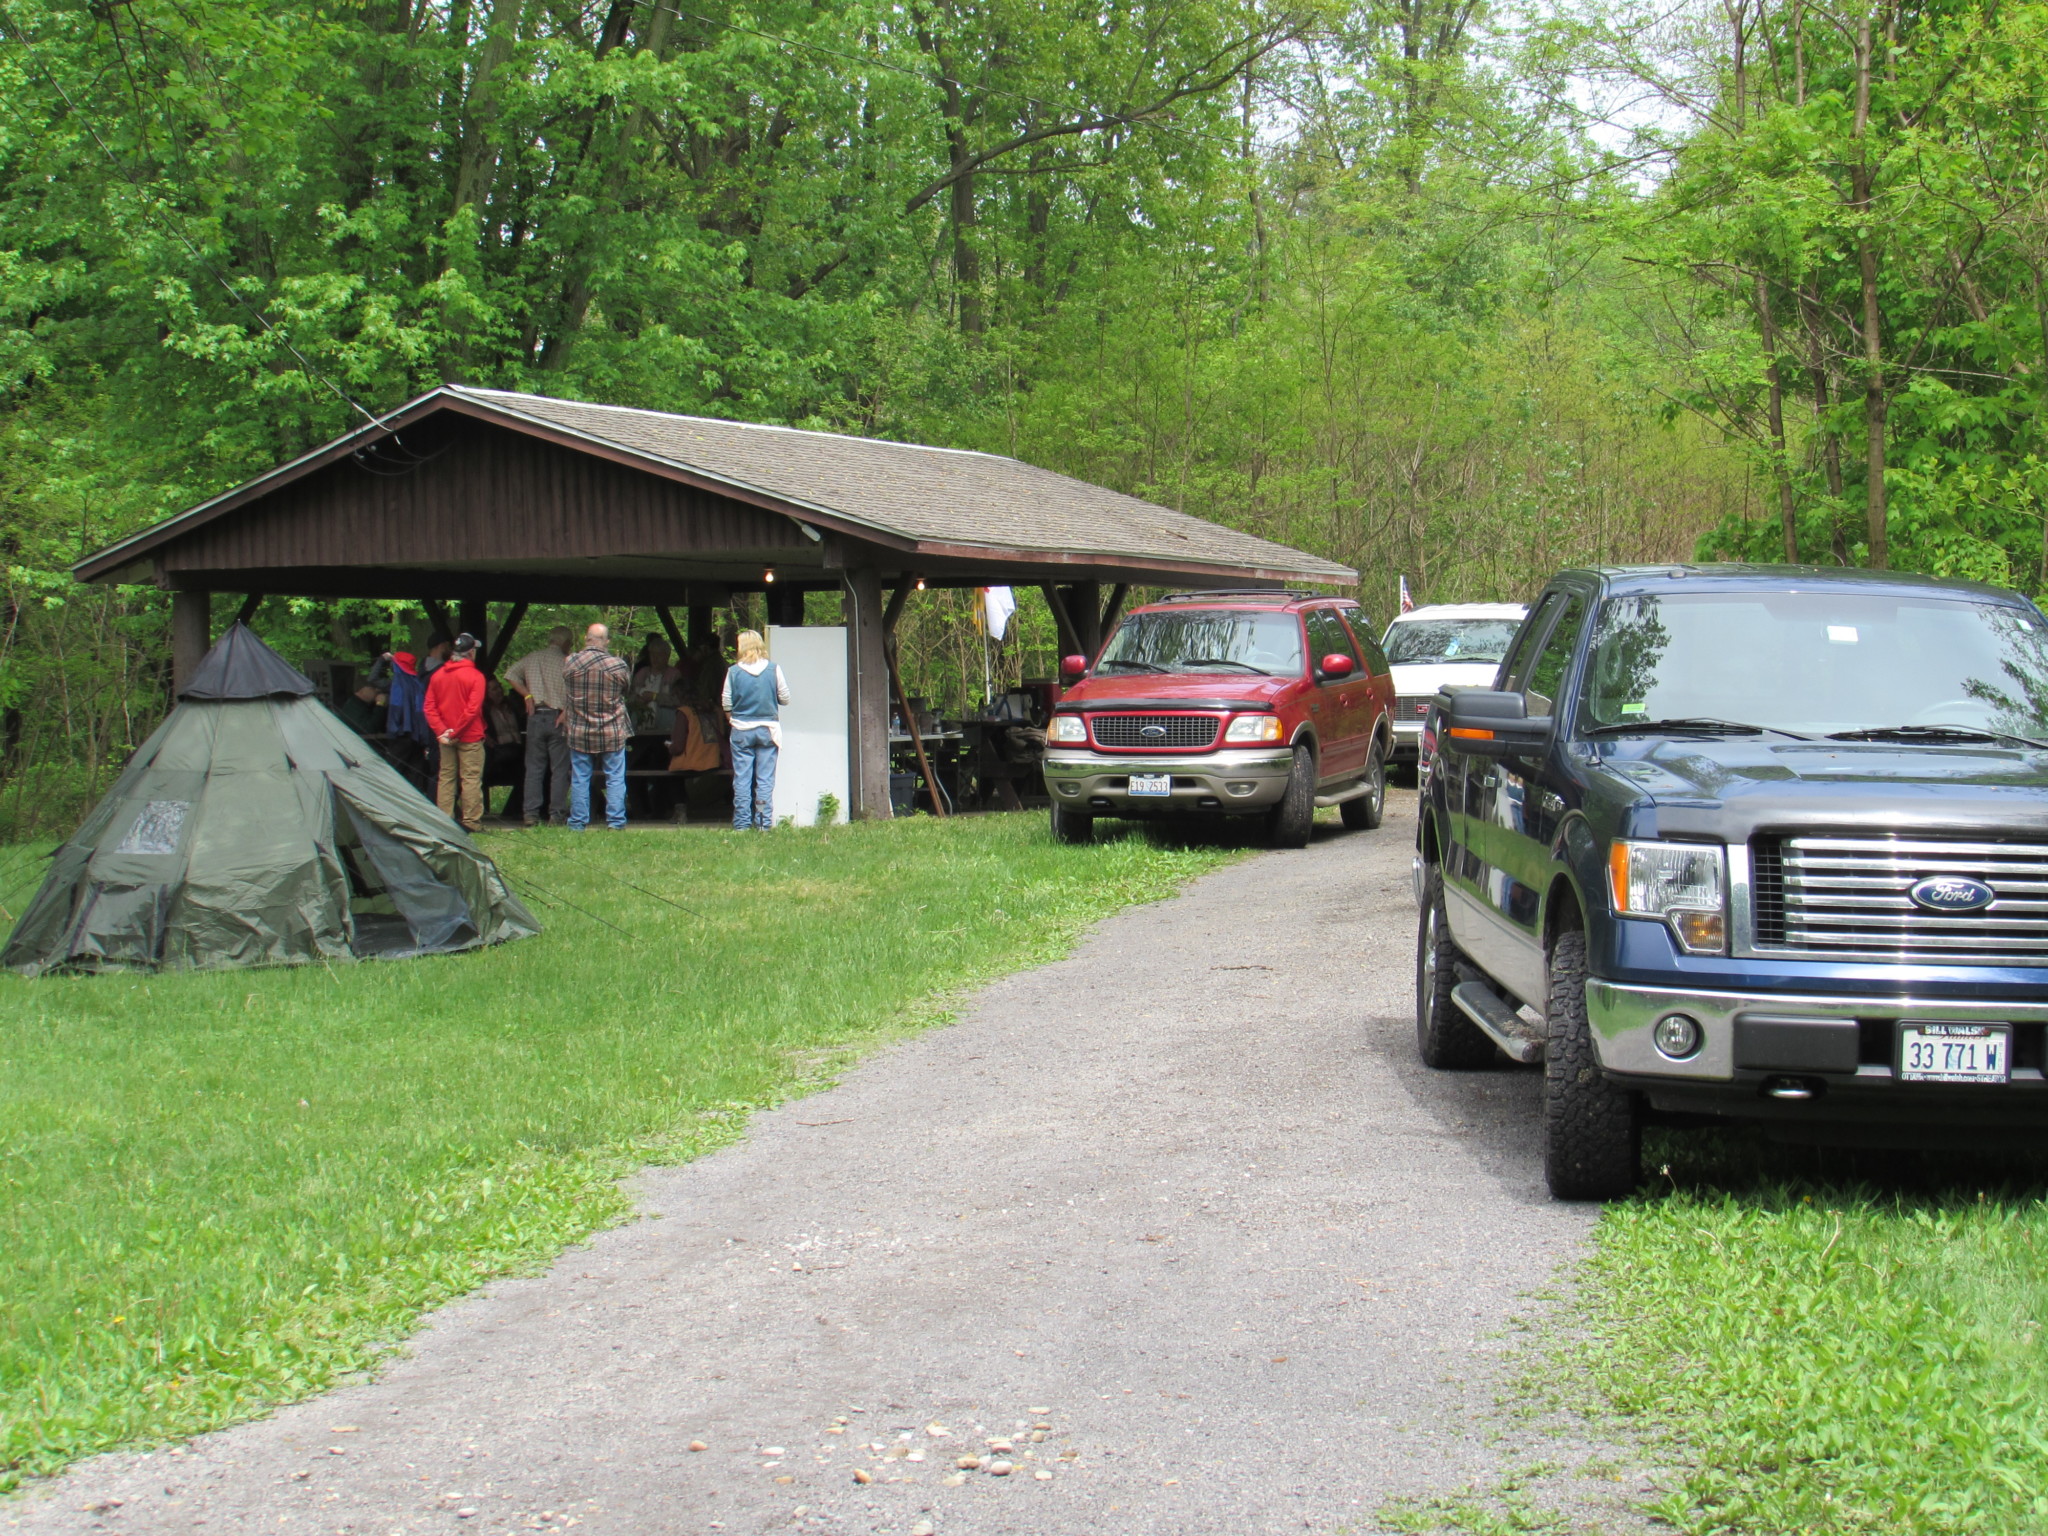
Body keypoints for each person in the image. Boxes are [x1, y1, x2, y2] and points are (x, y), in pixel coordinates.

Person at [562, 622, 632, 831]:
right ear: (607, 641)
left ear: (586, 638)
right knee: (615, 777)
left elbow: (566, 687)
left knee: (580, 777)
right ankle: (616, 822)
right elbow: (626, 690)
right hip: (612, 729)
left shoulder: (571, 662)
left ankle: (578, 822)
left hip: (580, 729)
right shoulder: (617, 665)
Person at [505, 626, 574, 827]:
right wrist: (567, 711)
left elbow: (510, 675)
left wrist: (527, 695)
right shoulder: (567, 662)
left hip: (535, 716)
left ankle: (531, 814)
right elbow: (576, 690)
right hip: (558, 716)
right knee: (560, 769)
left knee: (534, 768)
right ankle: (556, 815)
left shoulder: (532, 657)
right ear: (565, 643)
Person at [722, 629, 789, 831]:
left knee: (742, 779)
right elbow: (785, 698)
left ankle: (742, 824)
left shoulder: (733, 671)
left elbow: (726, 702)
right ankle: (762, 823)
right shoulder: (773, 669)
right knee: (764, 780)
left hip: (741, 730)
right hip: (768, 730)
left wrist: (732, 719)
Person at [423, 633, 488, 833]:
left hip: (445, 737)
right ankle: (471, 822)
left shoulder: (438, 675)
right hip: (469, 735)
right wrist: (455, 732)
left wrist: (442, 731)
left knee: (446, 777)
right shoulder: (475, 676)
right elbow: (472, 710)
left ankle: (445, 819)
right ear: (471, 652)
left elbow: (429, 707)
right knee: (470, 778)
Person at [480, 675, 526, 818]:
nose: (499, 691)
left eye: (499, 687)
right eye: (494, 689)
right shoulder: (484, 711)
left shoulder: (510, 707)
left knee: (532, 770)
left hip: (515, 752)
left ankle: (512, 811)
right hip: (496, 756)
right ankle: (509, 812)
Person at [630, 636, 683, 735]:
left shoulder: (674, 675)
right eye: (652, 654)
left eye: (659, 654)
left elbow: (678, 700)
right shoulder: (642, 673)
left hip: (665, 727)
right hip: (640, 727)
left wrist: (654, 696)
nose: (655, 658)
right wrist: (638, 701)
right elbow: (630, 696)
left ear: (667, 656)